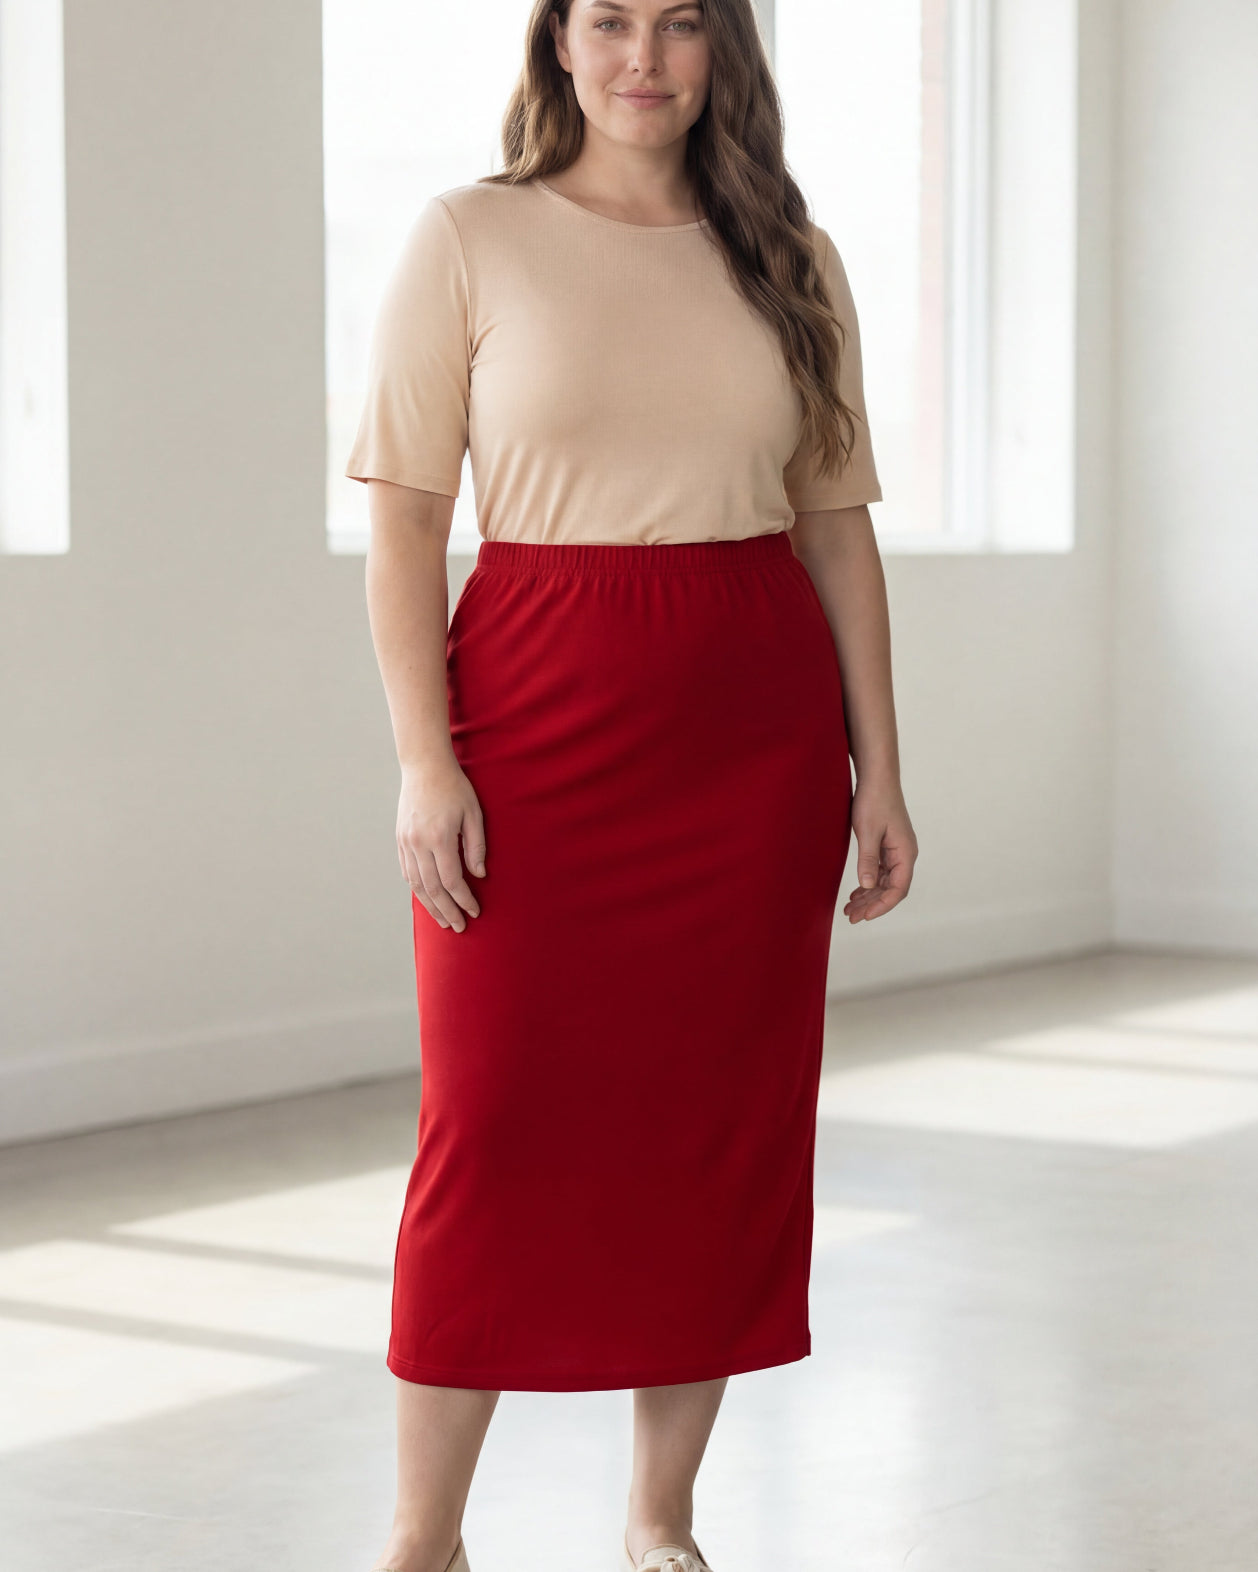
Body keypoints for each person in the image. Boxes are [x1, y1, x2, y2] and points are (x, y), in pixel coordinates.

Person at [344, 2, 918, 1569]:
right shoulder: (469, 236)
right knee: (489, 1118)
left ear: (723, 49)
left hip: (750, 732)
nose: (641, 55)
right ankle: (425, 1536)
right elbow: (403, 522)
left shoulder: (787, 255)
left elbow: (833, 527)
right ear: (557, 44)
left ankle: (659, 1521)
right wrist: (424, 756)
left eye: (678, 22)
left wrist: (880, 767)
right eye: (606, 18)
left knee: (716, 1128)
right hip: (531, 706)